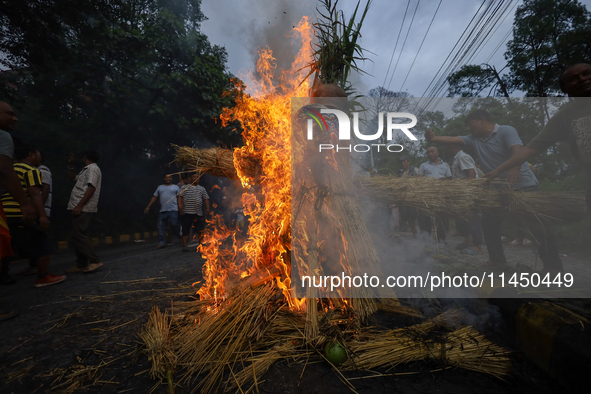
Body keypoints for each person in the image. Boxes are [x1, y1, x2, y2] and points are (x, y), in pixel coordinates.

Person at [426, 109, 563, 271]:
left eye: (470, 125)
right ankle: (497, 260)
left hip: (524, 186)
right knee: (489, 222)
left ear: (482, 120)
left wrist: (515, 169)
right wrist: (433, 138)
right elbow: (454, 139)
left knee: (538, 226)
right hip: (498, 190)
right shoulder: (474, 139)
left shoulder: (506, 130)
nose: (469, 129)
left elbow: (518, 151)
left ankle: (553, 268)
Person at [484, 63, 591, 230]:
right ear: (564, 89)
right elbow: (529, 149)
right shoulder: (565, 116)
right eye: (574, 79)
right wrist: (498, 170)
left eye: (587, 73)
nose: (583, 79)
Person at [1, 144, 65, 287]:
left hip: (3, 216)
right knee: (42, 244)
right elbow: (35, 194)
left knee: (4, 248)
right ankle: (43, 276)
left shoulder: (7, 171)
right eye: (38, 154)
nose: (40, 157)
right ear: (31, 155)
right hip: (21, 215)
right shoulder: (30, 170)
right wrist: (41, 216)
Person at [66, 150, 103, 273]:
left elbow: (92, 187)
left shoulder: (92, 169)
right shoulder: (86, 169)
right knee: (78, 235)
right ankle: (81, 264)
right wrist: (71, 166)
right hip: (80, 206)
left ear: (85, 157)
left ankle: (95, 261)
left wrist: (79, 205)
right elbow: (73, 179)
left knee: (79, 235)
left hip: (84, 207)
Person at [446, 143, 483, 255]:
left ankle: (477, 245)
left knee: (471, 218)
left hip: (466, 193)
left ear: (452, 147)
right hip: (459, 193)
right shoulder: (457, 158)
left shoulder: (462, 157)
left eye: (447, 147)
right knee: (461, 218)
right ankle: (467, 241)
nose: (446, 149)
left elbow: (471, 173)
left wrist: (467, 190)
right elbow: (459, 175)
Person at [417, 147, 451, 243]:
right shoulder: (423, 165)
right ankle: (426, 238)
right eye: (428, 152)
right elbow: (419, 179)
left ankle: (441, 239)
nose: (430, 154)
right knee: (425, 216)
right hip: (427, 194)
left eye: (432, 152)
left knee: (440, 217)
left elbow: (449, 178)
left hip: (441, 194)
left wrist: (443, 181)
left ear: (437, 152)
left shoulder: (445, 165)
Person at [144, 174, 182, 249]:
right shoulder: (160, 187)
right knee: (160, 227)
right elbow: (154, 197)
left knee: (174, 224)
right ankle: (162, 243)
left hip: (173, 210)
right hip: (163, 210)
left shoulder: (175, 187)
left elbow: (180, 197)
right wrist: (148, 206)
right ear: (164, 179)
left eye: (169, 177)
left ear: (171, 178)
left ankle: (181, 238)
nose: (168, 178)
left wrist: (180, 206)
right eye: (166, 177)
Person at [179, 173, 210, 252]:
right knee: (185, 230)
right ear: (190, 178)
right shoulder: (184, 187)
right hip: (186, 212)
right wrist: (179, 205)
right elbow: (180, 197)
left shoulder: (202, 188)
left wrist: (207, 208)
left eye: (197, 177)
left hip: (198, 213)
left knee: (200, 230)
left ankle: (200, 245)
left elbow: (206, 198)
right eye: (194, 177)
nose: (196, 178)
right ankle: (185, 245)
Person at [397, 155, 418, 235]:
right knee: (409, 216)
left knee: (414, 215)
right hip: (405, 197)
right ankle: (414, 232)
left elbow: (420, 179)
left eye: (404, 161)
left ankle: (420, 233)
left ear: (408, 162)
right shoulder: (402, 173)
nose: (403, 163)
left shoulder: (414, 170)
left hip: (414, 196)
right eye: (402, 162)